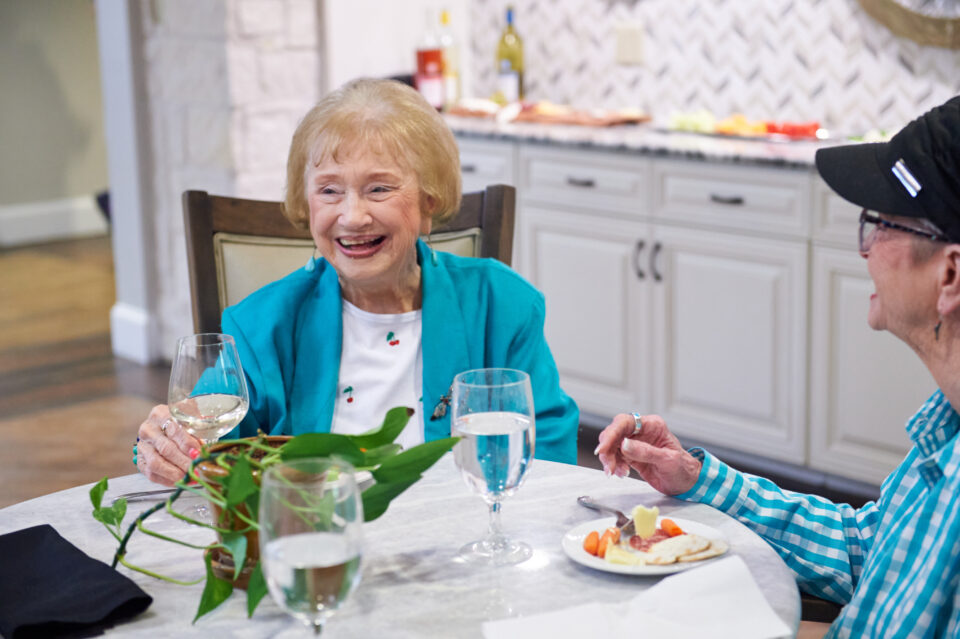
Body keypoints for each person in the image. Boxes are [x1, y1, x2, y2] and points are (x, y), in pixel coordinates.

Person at [596, 96, 960, 638]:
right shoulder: (945, 424)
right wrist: (697, 479)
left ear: (949, 275)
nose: (864, 251)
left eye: (880, 224)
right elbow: (869, 551)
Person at [135, 78, 578, 485]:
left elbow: (550, 457)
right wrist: (162, 444)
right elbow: (198, 444)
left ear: (428, 204)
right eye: (329, 190)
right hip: (317, 550)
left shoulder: (500, 304)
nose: (352, 216)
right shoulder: (259, 326)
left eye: (379, 189)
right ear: (307, 206)